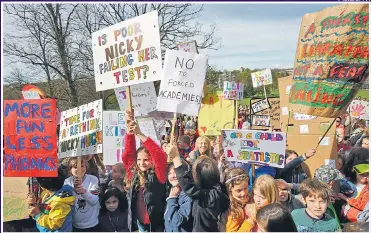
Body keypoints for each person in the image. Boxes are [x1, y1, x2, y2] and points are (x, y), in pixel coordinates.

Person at [166, 144, 230, 232]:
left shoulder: (209, 197)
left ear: (200, 176)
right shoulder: (218, 189)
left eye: (194, 172)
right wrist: (176, 156)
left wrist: (176, 158)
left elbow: (188, 185)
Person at [122, 109, 167, 232]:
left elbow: (159, 155)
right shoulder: (134, 174)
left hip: (157, 224)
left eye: (146, 159)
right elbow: (127, 155)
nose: (142, 163)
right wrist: (129, 132)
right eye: (139, 159)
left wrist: (139, 133)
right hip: (140, 223)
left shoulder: (158, 175)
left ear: (152, 160)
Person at [64, 158, 100, 232]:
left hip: (92, 223)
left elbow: (94, 201)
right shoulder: (67, 182)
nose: (79, 169)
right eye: (75, 167)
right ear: (70, 169)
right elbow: (66, 202)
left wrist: (83, 192)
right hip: (75, 224)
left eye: (82, 166)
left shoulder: (93, 179)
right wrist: (73, 190)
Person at [164, 163, 193, 232]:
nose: (172, 176)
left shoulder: (188, 195)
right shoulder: (171, 191)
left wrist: (172, 199)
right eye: (169, 173)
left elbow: (177, 220)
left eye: (175, 172)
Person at [223, 168, 255, 232]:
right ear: (230, 189)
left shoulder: (251, 199)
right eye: (239, 190)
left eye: (245, 188)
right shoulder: (233, 212)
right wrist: (250, 222)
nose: (243, 193)